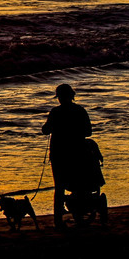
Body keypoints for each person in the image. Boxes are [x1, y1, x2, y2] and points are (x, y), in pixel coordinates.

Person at [41, 84, 102, 229]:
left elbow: (45, 130)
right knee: (79, 183)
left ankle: (58, 220)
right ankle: (80, 211)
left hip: (59, 155)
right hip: (79, 153)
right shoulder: (80, 111)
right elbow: (88, 132)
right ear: (72, 96)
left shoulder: (55, 112)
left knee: (60, 187)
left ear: (60, 98)